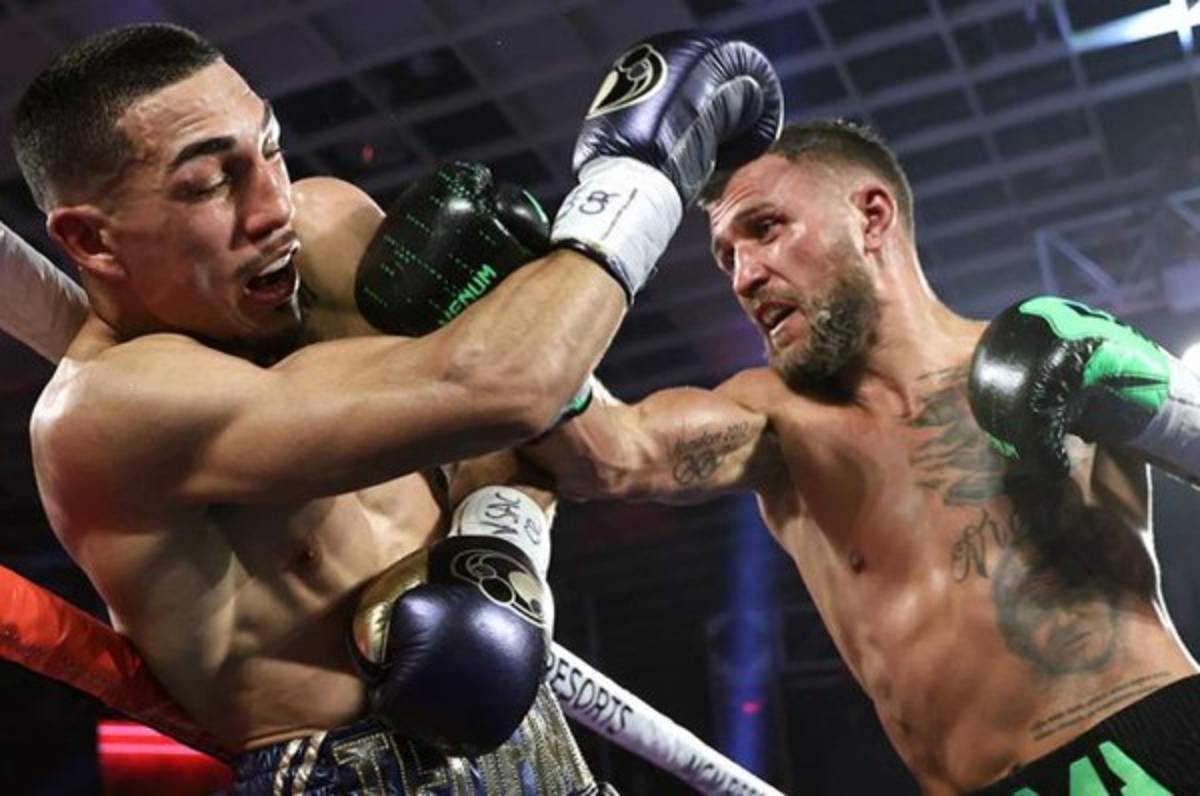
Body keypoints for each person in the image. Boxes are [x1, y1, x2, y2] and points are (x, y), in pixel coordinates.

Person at [12, 20, 781, 795]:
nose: (271, 206)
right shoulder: (108, 411)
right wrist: (637, 183)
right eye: (211, 182)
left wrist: (496, 554)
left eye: (270, 147)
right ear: (91, 240)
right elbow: (504, 387)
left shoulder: (322, 232)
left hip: (539, 744)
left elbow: (557, 442)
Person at [524, 120, 1200, 794]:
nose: (745, 276)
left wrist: (1159, 395)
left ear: (872, 216)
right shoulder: (774, 425)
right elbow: (602, 452)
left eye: (764, 229)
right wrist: (549, 268)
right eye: (727, 257)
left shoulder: (1053, 350)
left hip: (1160, 741)